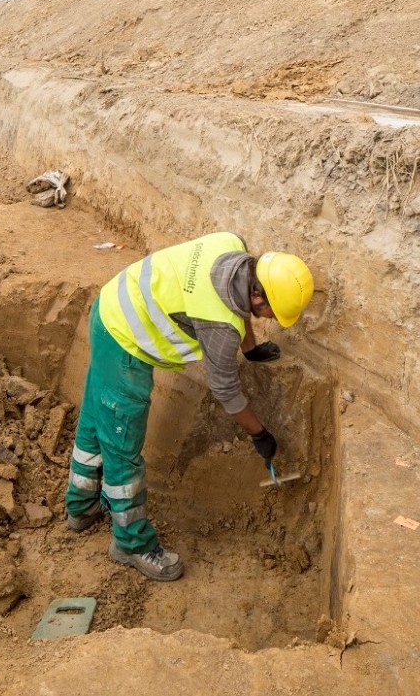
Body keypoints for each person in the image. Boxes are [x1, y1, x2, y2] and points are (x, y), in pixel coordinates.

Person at [65, 230, 314, 582]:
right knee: (121, 444)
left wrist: (251, 349)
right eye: (270, 311)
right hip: (126, 343)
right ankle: (130, 544)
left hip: (110, 308)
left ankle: (81, 507)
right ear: (257, 293)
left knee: (95, 420)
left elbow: (239, 304)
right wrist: (259, 433)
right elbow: (225, 389)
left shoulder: (231, 245)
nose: (270, 318)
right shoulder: (219, 327)